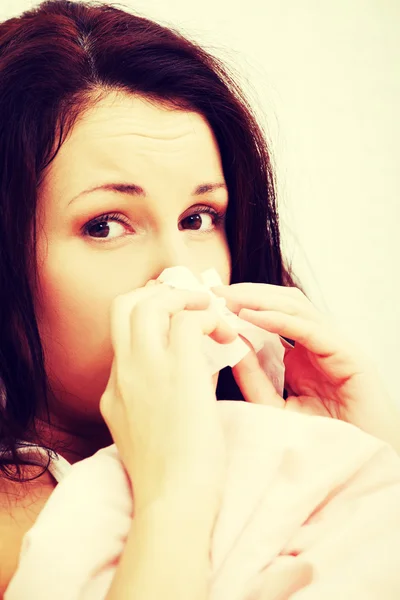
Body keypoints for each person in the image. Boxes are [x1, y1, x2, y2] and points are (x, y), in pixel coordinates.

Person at [0, 0, 399, 598]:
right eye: (106, 224)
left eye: (198, 217)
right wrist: (174, 492)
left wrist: (362, 458)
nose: (179, 273)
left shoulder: (268, 448)